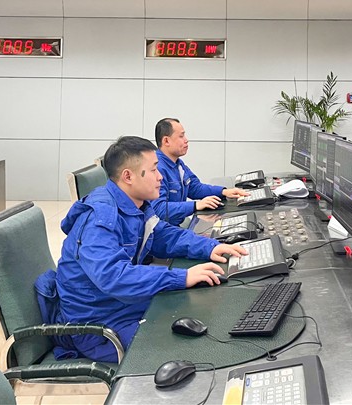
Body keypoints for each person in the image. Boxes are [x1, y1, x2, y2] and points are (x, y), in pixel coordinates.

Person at [35, 136, 248, 362]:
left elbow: (162, 235)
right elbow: (114, 277)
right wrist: (181, 277)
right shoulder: (99, 219)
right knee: (191, 349)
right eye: (154, 170)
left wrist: (210, 247)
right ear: (128, 176)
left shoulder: (134, 204)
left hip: (122, 306)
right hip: (97, 326)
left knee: (203, 306)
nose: (160, 176)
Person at [152, 118, 248, 225]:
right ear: (166, 141)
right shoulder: (156, 168)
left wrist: (224, 192)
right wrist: (195, 205)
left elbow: (195, 188)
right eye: (181, 136)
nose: (186, 140)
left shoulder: (178, 164)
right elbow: (159, 209)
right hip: (162, 230)